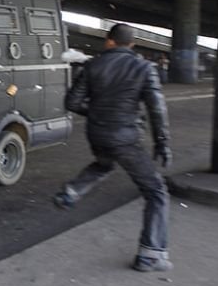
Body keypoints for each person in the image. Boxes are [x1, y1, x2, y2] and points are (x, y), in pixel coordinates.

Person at [53, 23, 173, 272]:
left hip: (97, 134)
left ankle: (72, 191)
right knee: (157, 192)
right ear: (131, 45)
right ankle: (151, 255)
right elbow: (156, 108)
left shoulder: (92, 65)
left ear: (109, 41)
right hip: (125, 137)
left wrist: (96, 113)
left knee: (104, 164)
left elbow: (72, 102)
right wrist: (162, 141)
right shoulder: (144, 68)